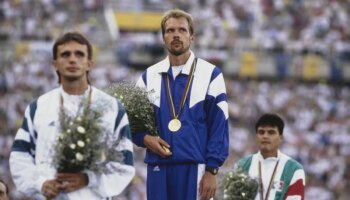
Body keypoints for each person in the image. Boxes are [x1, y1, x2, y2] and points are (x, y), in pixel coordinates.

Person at [9, 32, 135, 199]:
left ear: (89, 63)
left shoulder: (111, 107)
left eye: (79, 54)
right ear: (55, 64)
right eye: (65, 54)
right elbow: (20, 155)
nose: (72, 59)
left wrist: (89, 179)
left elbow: (124, 164)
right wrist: (40, 184)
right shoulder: (39, 106)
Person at [134, 9, 229, 200]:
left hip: (195, 168)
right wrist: (145, 139)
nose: (176, 35)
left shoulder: (211, 74)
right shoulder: (147, 77)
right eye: (170, 31)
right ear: (163, 37)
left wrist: (212, 170)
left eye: (182, 30)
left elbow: (219, 126)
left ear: (192, 36)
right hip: (158, 168)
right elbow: (132, 124)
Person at [235, 113, 305, 200]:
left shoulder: (294, 169)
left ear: (281, 137)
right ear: (256, 136)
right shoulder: (242, 165)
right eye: (261, 132)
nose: (265, 136)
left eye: (271, 132)